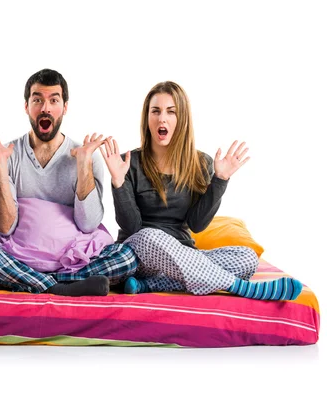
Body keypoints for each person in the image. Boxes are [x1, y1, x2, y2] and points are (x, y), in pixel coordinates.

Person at [100, 81, 302, 301]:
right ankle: (241, 288)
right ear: (147, 118)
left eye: (171, 112)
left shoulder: (201, 162)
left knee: (247, 258)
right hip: (140, 253)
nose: (162, 118)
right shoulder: (128, 163)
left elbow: (197, 225)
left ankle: (151, 285)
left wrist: (220, 180)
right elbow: (132, 227)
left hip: (184, 255)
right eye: (155, 111)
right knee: (150, 235)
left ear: (182, 118)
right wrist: (118, 181)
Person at [0, 68, 138, 297]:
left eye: (53, 100)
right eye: (37, 99)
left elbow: (88, 224)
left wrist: (83, 165)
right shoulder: (7, 153)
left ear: (65, 107)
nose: (45, 108)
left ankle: (17, 280)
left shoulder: (86, 155)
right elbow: (4, 227)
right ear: (26, 106)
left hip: (72, 261)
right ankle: (59, 287)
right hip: (17, 256)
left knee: (127, 258)